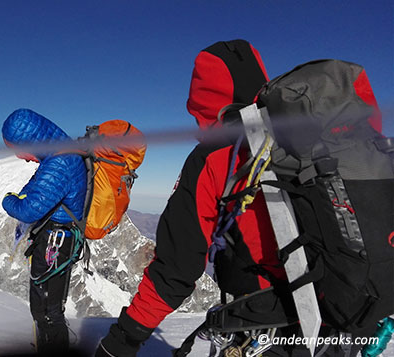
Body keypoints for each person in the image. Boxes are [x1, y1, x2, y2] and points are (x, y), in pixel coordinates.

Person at [95, 40, 370, 357]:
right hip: (343, 318)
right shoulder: (312, 140)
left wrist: (123, 340)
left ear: (202, 97)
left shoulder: (216, 156)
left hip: (264, 329)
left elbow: (176, 269)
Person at [1, 108, 87, 354]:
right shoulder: (58, 155)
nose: (20, 156)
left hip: (56, 244)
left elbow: (29, 210)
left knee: (47, 311)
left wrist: (8, 200)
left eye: (17, 149)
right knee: (46, 307)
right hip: (56, 241)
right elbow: (38, 189)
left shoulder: (60, 163)